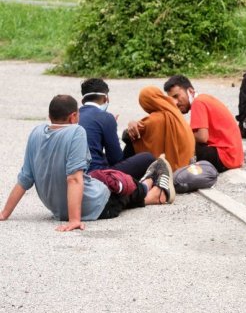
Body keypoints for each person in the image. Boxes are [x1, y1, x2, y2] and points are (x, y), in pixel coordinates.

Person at [0, 95, 175, 233]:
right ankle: (152, 190)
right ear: (74, 116)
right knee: (126, 188)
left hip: (58, 210)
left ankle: (150, 181)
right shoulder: (76, 131)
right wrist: (75, 220)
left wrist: (4, 213)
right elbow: (74, 179)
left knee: (107, 180)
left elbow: (25, 178)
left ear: (50, 116)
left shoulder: (36, 132)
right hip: (96, 205)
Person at [78, 78, 156, 180]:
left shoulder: (74, 115)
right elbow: (116, 159)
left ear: (83, 100)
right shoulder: (105, 117)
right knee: (148, 158)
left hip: (76, 174)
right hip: (97, 176)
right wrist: (112, 126)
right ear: (106, 98)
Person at [164, 75, 244, 173]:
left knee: (182, 142)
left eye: (176, 96)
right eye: (171, 99)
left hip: (226, 157)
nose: (175, 102)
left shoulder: (198, 102)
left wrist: (180, 133)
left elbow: (202, 137)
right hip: (234, 156)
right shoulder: (203, 98)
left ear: (190, 91)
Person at [124, 86, 195, 170]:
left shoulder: (155, 119)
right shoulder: (176, 112)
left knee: (131, 145)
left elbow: (128, 134)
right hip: (185, 166)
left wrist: (131, 123)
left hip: (172, 170)